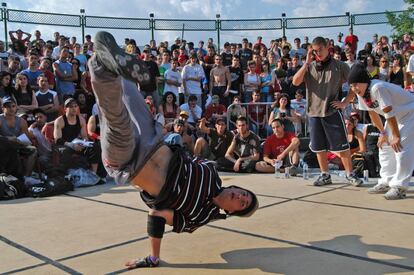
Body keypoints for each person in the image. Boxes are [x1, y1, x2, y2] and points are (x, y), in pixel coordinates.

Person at [87, 31, 258, 268]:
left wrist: (153, 257)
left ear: (231, 212)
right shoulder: (211, 171)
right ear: (238, 187)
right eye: (244, 194)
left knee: (115, 118)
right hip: (153, 139)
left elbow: (157, 216)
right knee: (128, 90)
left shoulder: (198, 218)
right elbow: (185, 153)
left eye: (241, 203)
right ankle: (116, 63)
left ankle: (100, 64)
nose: (239, 197)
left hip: (129, 163)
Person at [292, 36, 363, 187]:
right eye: (315, 51)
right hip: (313, 113)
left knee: (342, 146)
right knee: (319, 147)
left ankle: (350, 174)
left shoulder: (340, 65)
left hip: (332, 111)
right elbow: (295, 82)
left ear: (327, 47)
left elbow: (354, 85)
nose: (318, 53)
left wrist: (345, 102)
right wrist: (306, 62)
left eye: (320, 50)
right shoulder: (309, 66)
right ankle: (325, 175)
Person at [347, 63, 414, 200]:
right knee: (383, 146)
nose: (354, 88)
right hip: (395, 116)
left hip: (409, 113)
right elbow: (373, 114)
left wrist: (395, 136)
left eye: (356, 84)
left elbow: (389, 112)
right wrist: (383, 134)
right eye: (351, 86)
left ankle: (400, 187)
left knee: (400, 146)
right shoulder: (361, 93)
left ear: (364, 81)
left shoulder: (377, 88)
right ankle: (386, 181)